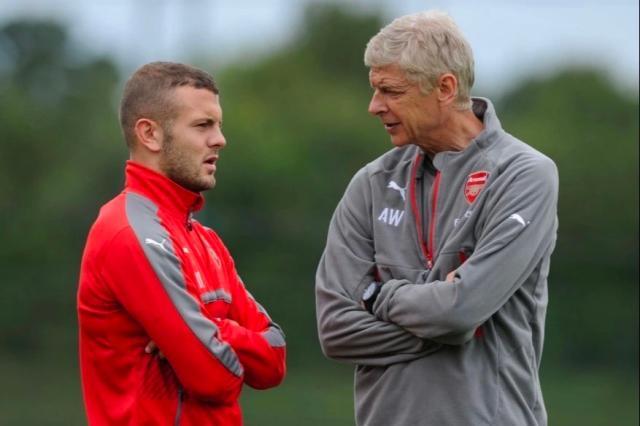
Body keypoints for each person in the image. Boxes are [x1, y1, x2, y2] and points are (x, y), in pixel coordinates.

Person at [315, 11, 558, 426]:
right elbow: (336, 330)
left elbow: (460, 311)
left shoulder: (524, 174)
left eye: (390, 91)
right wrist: (444, 319)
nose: (374, 106)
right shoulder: (371, 183)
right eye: (375, 89)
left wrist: (378, 297)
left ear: (445, 88)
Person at [77, 62, 286, 426]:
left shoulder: (206, 239)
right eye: (203, 125)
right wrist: (216, 338)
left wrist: (208, 331)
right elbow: (214, 378)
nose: (220, 139)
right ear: (150, 134)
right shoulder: (128, 233)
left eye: (218, 125)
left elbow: (275, 360)